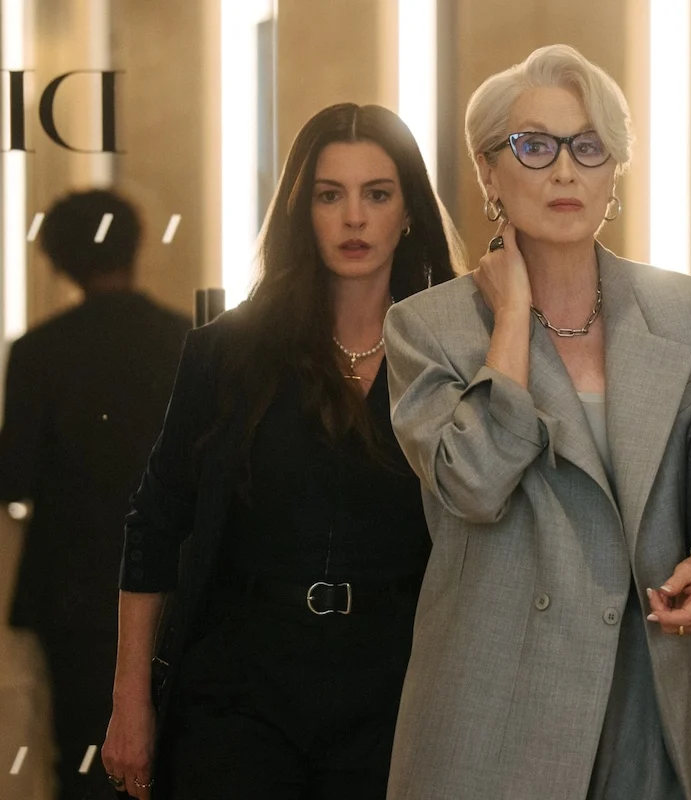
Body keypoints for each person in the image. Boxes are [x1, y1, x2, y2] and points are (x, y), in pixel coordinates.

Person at [383, 44, 691, 800]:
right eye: (534, 147)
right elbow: (473, 485)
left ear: (615, 172)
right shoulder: (426, 329)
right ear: (488, 172)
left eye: (589, 146)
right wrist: (512, 318)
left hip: (657, 710)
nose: (566, 171)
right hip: (498, 719)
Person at [99, 103, 458, 799]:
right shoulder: (227, 353)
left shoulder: (451, 358)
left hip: (396, 682)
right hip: (241, 687)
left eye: (376, 194)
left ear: (409, 211)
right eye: (329, 195)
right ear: (303, 211)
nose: (353, 218)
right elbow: (153, 526)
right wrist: (130, 701)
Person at [0, 189, 189, 799]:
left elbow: (13, 477)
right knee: (176, 749)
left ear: (59, 261)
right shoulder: (186, 341)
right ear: (136, 245)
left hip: (72, 588)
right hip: (171, 578)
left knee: (82, 757)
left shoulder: (39, 352)